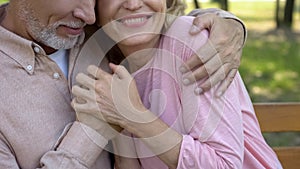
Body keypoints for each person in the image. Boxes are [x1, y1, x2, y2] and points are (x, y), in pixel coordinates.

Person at [0, 0, 246, 169]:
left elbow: (150, 19)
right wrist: (92, 131)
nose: (89, 16)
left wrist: (228, 23)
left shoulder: (98, 35)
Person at [71, 0, 282, 168]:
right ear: (94, 9)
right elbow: (127, 164)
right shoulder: (113, 71)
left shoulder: (189, 39)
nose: (133, 4)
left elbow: (225, 165)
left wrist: (134, 116)